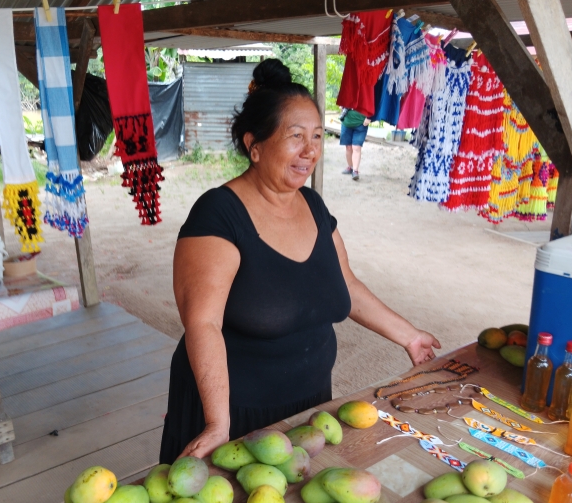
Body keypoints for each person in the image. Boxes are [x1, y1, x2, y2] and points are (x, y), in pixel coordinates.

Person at [159, 59, 440, 463]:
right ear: (254, 146)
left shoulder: (312, 205)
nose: (310, 151)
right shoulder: (218, 215)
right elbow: (202, 323)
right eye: (295, 137)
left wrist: (409, 336)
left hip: (309, 405)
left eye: (316, 136)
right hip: (234, 414)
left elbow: (347, 286)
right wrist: (217, 424)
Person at [340, 108, 370, 181]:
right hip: (347, 123)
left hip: (361, 124)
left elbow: (373, 104)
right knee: (348, 147)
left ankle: (355, 171)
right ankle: (350, 167)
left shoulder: (366, 96)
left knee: (356, 147)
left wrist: (369, 118)